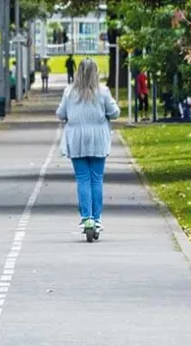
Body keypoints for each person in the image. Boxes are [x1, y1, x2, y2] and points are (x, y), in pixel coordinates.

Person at [55, 58, 120, 233]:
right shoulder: (103, 91)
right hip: (98, 138)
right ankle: (97, 218)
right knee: (97, 179)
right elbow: (114, 112)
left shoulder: (69, 92)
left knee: (82, 179)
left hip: (76, 139)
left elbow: (61, 114)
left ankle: (86, 217)